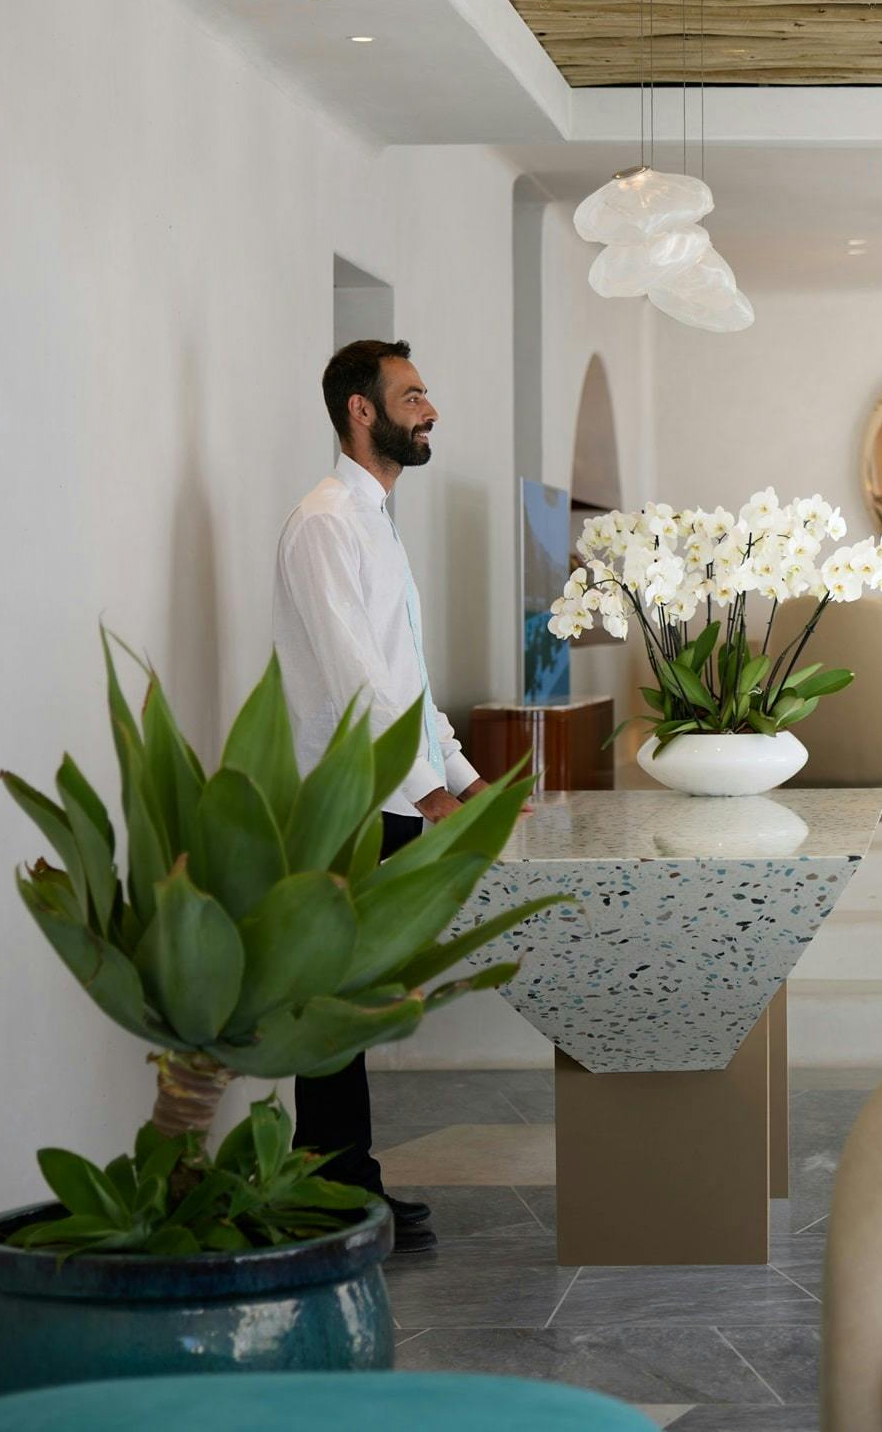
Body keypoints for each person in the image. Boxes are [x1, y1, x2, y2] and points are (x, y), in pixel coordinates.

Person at [274, 338, 488, 1255]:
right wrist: (426, 790)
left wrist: (466, 773)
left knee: (352, 1004)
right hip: (350, 804)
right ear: (361, 410)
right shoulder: (325, 521)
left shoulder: (376, 521)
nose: (429, 408)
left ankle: (341, 1189)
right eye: (412, 394)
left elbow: (406, 677)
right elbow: (357, 682)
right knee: (338, 1009)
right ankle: (330, 1196)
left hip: (393, 789)